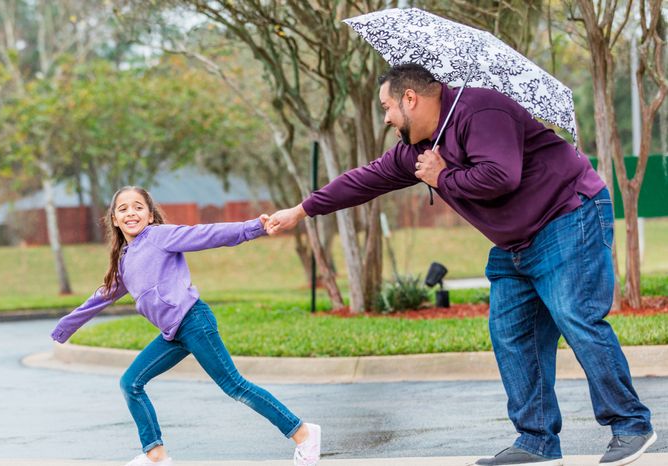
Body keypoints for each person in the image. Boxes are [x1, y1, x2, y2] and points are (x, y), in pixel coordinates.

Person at [265, 63, 655, 466]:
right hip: (516, 240)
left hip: (567, 214)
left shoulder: (483, 109)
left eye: (387, 107)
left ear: (410, 98)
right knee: (511, 333)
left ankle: (631, 425)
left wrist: (443, 176)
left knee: (577, 317)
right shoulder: (420, 147)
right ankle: (536, 441)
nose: (386, 118)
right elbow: (368, 178)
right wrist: (302, 210)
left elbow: (501, 176)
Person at [51, 186, 321, 466]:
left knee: (235, 386)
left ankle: (302, 432)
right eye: (123, 208)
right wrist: (65, 327)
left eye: (138, 206)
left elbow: (207, 234)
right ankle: (155, 455)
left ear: (151, 215)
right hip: (173, 334)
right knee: (131, 383)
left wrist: (255, 227)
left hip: (194, 321)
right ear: (115, 220)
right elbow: (101, 296)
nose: (131, 212)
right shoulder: (124, 262)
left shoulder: (159, 236)